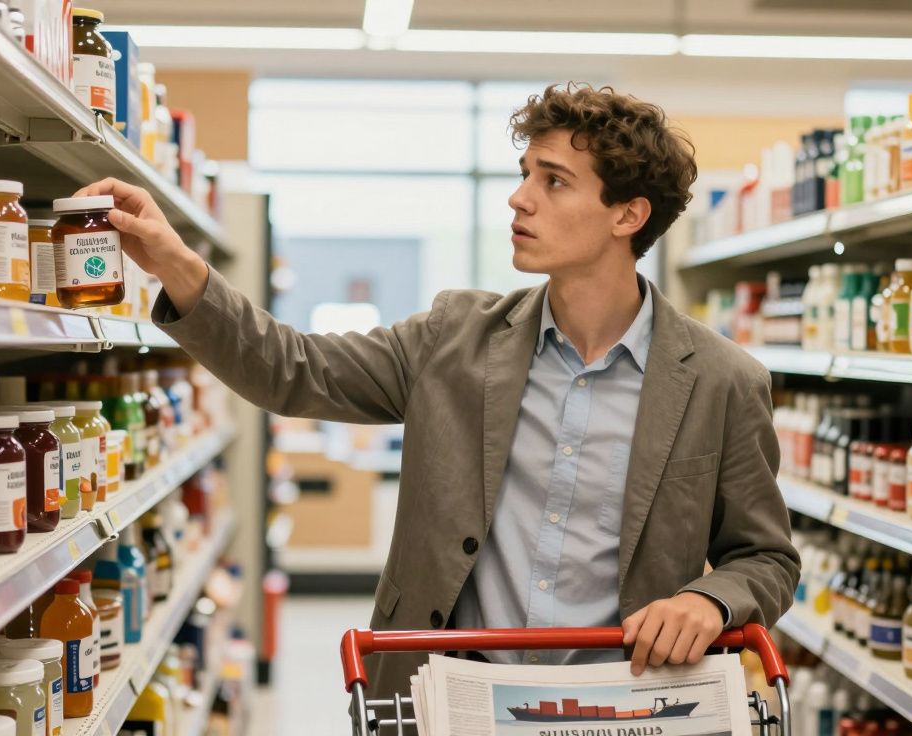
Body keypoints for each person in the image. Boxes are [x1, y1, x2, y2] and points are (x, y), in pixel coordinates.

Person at [74, 82, 799, 695]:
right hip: (446, 695)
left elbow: (766, 559)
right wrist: (176, 264)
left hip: (617, 703)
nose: (519, 199)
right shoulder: (455, 338)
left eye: (553, 181)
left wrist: (711, 599)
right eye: (523, 173)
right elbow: (290, 367)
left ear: (628, 215)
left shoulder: (722, 382)